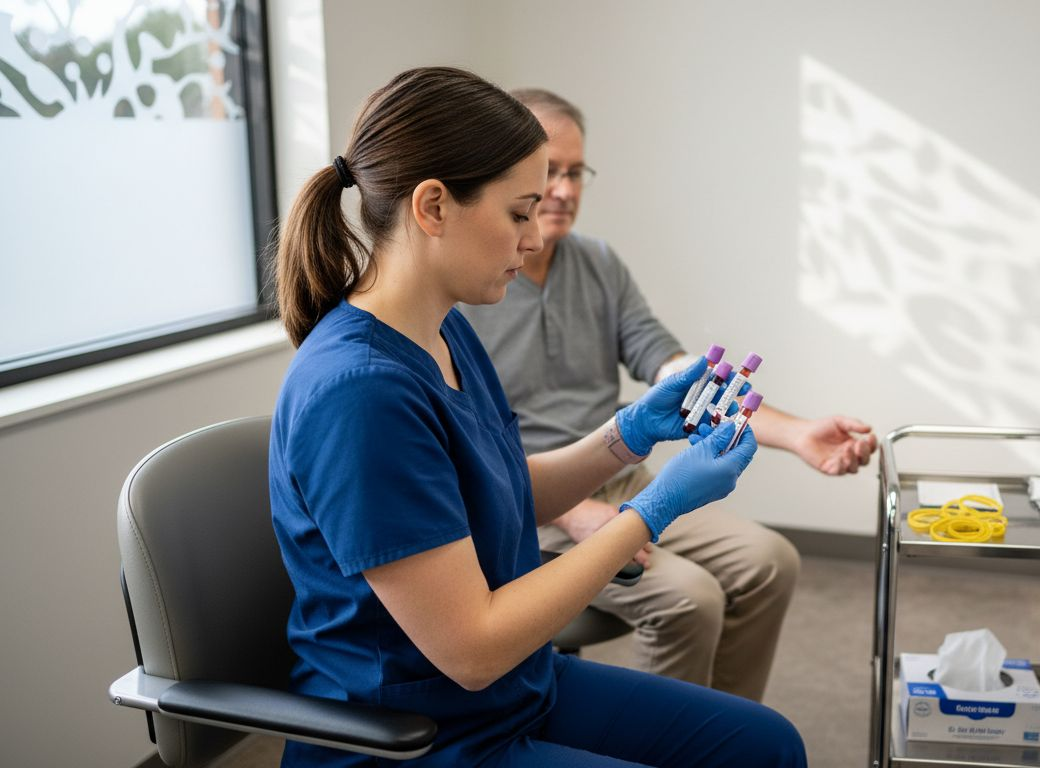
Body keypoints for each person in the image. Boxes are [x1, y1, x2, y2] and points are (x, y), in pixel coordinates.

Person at [268, 66, 806, 768]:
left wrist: (628, 434)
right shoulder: (360, 392)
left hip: (512, 689)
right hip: (417, 736)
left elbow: (503, 487)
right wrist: (655, 506)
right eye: (519, 212)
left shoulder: (444, 330)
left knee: (767, 746)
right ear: (432, 207)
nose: (532, 237)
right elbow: (472, 649)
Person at [459, 89, 878, 703]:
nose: (567, 190)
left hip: (616, 478)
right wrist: (572, 514)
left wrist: (796, 434)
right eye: (551, 173)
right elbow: (465, 451)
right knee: (691, 599)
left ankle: (729, 737)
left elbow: (674, 368)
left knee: (771, 561)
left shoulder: (597, 262)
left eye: (578, 172)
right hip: (527, 502)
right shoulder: (475, 285)